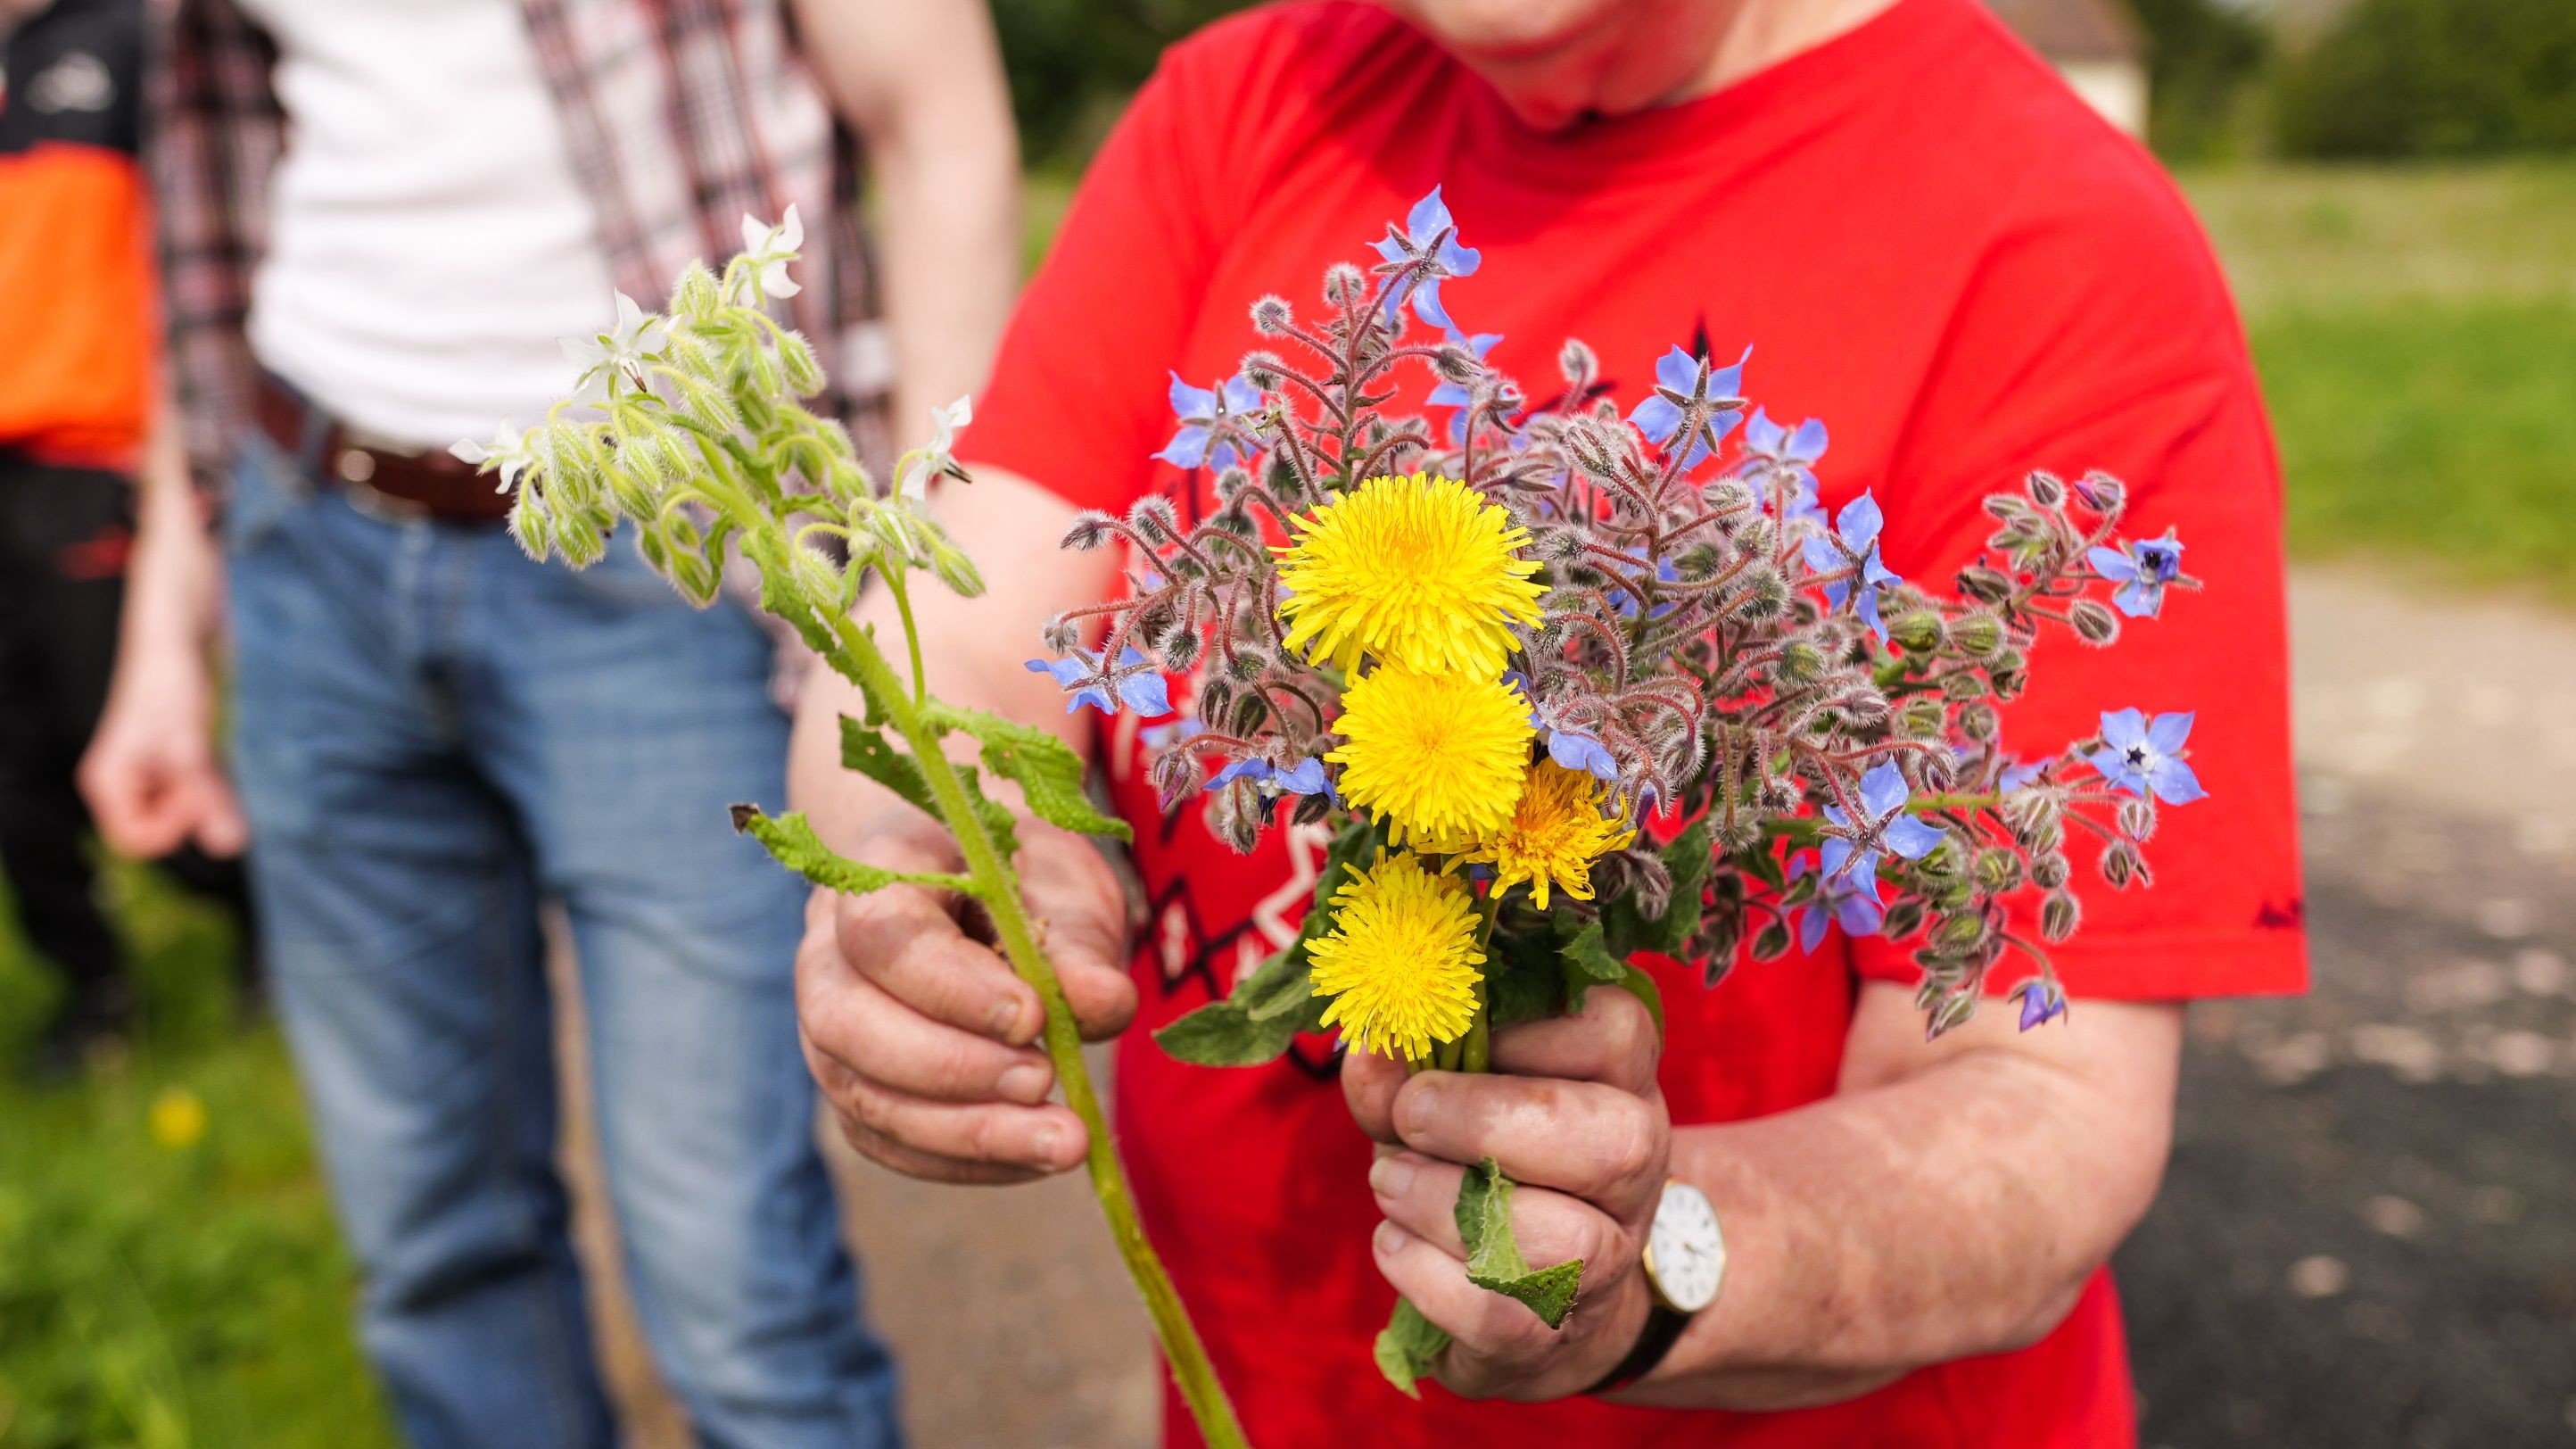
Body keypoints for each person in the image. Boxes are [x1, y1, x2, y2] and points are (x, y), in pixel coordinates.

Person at [786, 0, 2308, 1445]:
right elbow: (968, 607)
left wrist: (1658, 1256)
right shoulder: (1252, 101)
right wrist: (924, 855)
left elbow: (2043, 1113)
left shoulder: (2050, 245)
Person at [79, 0, 1019, 1443]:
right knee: (434, 1253)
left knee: (737, 1291)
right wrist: (164, 629)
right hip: (309, 532)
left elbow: (938, 120)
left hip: (667, 561)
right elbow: (207, 198)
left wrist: (917, 602)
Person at [0, 0, 254, 1081]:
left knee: (129, 733)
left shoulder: (129, 40)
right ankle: (90, 986)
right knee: (13, 778)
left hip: (93, 455)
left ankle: (265, 914)